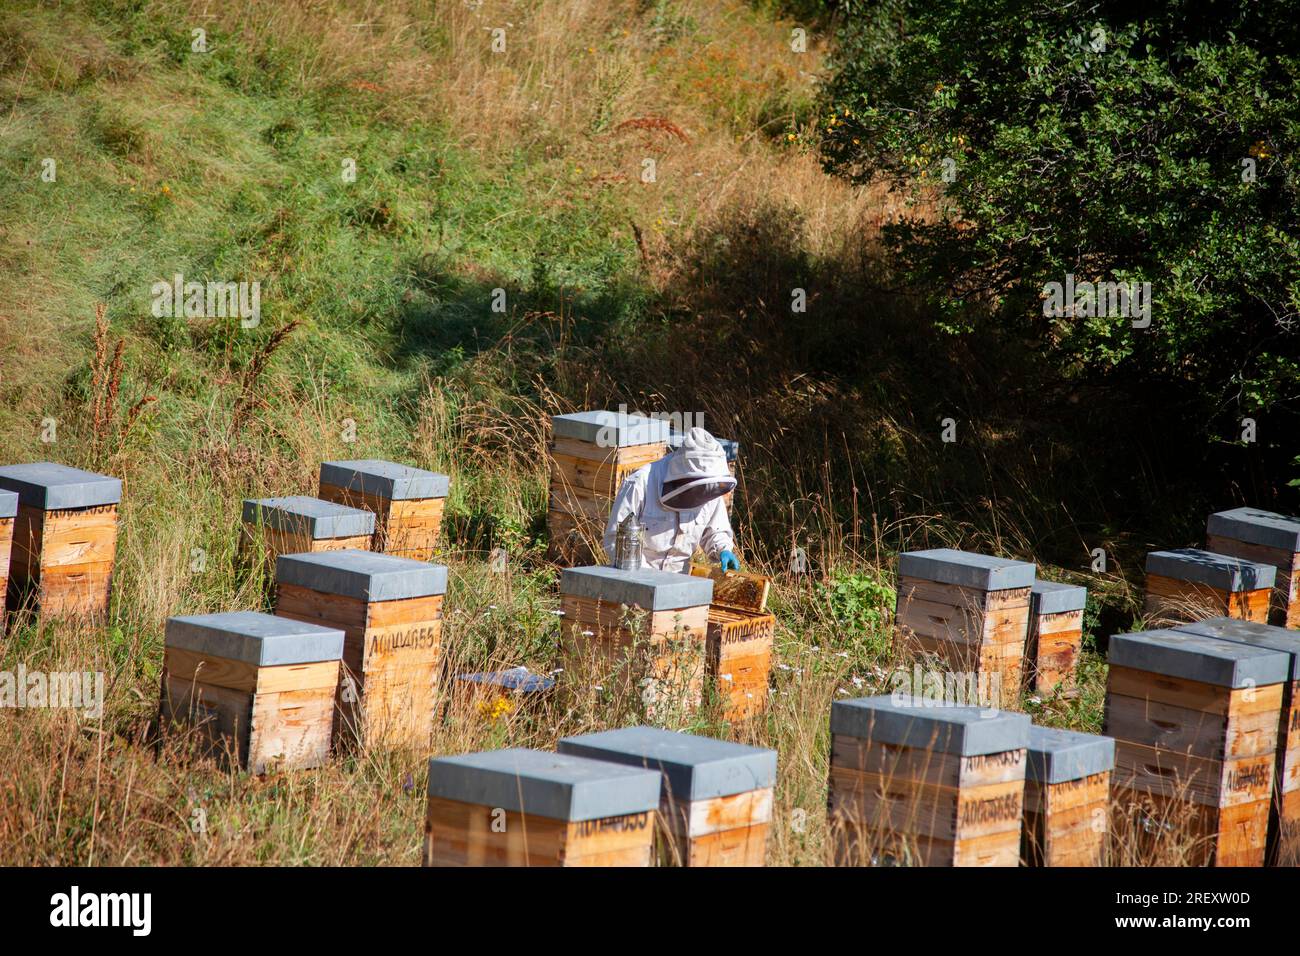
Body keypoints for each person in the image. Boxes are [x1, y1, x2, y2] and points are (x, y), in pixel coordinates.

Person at [602, 426, 740, 574]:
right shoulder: (640, 482)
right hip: (637, 578)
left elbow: (715, 531)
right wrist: (645, 577)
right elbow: (615, 539)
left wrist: (723, 549)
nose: (702, 495)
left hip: (679, 582)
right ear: (684, 473)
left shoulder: (708, 487)